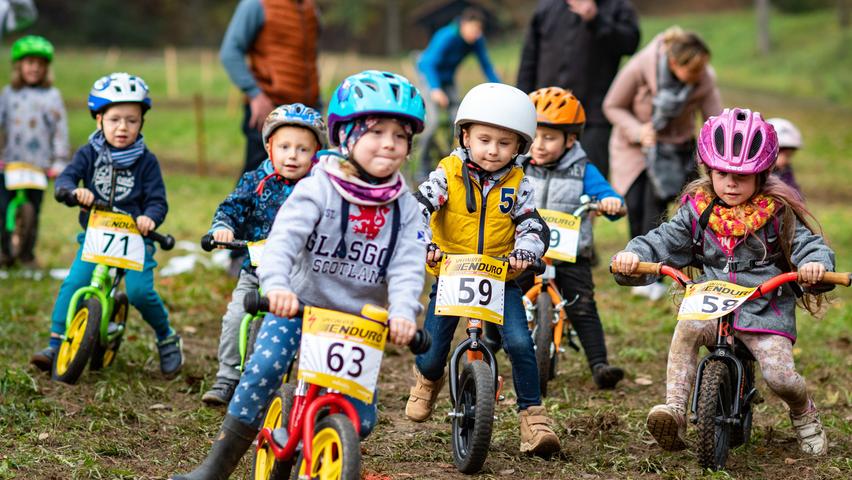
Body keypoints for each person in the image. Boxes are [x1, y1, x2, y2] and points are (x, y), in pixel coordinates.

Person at [171, 70, 428, 480]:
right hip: (300, 306)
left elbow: (408, 265)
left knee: (362, 418)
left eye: (400, 136)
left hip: (359, 324)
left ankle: (326, 443)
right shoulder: (317, 188)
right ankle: (216, 467)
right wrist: (275, 287)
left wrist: (402, 311)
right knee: (264, 368)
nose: (389, 144)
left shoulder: (407, 208)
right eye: (377, 132)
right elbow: (284, 241)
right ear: (347, 136)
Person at [611, 108, 835, 456]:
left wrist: (815, 266)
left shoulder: (776, 213)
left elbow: (809, 245)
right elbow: (664, 239)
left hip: (764, 308)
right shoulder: (697, 211)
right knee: (686, 332)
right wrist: (633, 255)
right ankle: (674, 409)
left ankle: (803, 412)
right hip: (711, 300)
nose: (731, 183)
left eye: (742, 176)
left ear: (762, 175)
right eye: (722, 173)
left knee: (780, 376)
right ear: (707, 170)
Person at [407, 82, 560, 456]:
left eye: (505, 143)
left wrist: (525, 252)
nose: (493, 150)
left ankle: (532, 415)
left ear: (520, 147)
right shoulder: (448, 173)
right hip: (450, 272)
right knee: (433, 345)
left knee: (521, 344)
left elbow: (533, 225)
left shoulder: (518, 183)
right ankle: (428, 379)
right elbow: (418, 209)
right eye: (484, 139)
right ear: (465, 136)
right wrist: (423, 243)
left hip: (498, 275)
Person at [29, 73, 183, 378]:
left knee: (139, 292)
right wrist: (73, 191)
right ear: (99, 120)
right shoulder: (89, 154)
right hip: (97, 234)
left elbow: (157, 200)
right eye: (114, 119)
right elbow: (67, 177)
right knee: (74, 284)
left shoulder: (146, 162)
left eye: (131, 120)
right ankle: (56, 342)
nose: (122, 127)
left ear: (142, 122)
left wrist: (150, 216)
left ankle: (166, 337)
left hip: (136, 238)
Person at [200, 104, 325, 405]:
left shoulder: (319, 186)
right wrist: (224, 227)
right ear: (269, 147)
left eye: (302, 149)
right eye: (284, 147)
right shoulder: (257, 180)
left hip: (298, 276)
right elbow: (233, 206)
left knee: (307, 326)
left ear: (316, 153)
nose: (292, 155)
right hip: (255, 270)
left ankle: (305, 384)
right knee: (234, 318)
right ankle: (227, 377)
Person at [604, 26, 721, 300]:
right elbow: (612, 105)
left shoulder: (704, 77)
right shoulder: (640, 66)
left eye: (702, 69)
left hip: (678, 147)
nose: (698, 76)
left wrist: (719, 152)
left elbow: (714, 119)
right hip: (636, 145)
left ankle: (701, 265)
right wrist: (638, 130)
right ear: (672, 63)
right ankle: (642, 270)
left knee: (695, 204)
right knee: (640, 204)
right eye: (692, 71)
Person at [520, 87, 625, 389]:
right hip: (526, 250)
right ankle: (488, 345)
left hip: (570, 254)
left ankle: (599, 364)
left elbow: (610, 197)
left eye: (549, 138)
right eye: (534, 136)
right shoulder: (519, 166)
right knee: (507, 296)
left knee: (582, 305)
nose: (538, 145)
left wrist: (609, 203)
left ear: (570, 139)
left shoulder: (584, 170)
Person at [219, 0, 321, 276]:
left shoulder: (309, 8)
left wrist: (318, 105)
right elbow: (230, 52)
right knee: (256, 179)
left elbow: (307, 60)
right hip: (269, 108)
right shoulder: (256, 5)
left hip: (307, 114)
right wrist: (254, 93)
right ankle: (239, 254)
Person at [517, 0, 640, 180]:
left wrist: (596, 19)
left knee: (589, 183)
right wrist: (522, 103)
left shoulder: (616, 6)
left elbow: (630, 44)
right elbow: (529, 58)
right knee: (536, 181)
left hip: (594, 118)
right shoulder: (547, 6)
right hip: (544, 117)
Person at [0, 35, 69, 268]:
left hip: (39, 165)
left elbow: (60, 129)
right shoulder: (8, 94)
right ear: (19, 66)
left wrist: (59, 160)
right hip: (10, 162)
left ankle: (27, 253)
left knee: (34, 209)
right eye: (30, 63)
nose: (35, 68)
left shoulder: (52, 96)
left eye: (40, 64)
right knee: (2, 208)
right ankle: (4, 252)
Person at [415, 6, 501, 179]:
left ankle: (455, 160)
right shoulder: (446, 36)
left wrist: (500, 88)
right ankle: (421, 166)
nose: (475, 34)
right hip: (429, 77)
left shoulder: (476, 40)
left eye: (479, 30)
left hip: (448, 79)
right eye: (473, 29)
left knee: (459, 120)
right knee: (431, 122)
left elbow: (486, 65)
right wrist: (435, 90)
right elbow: (428, 64)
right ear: (463, 25)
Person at [767, 117, 803, 198]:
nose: (786, 160)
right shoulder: (760, 177)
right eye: (782, 154)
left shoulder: (786, 172)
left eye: (789, 155)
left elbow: (796, 196)